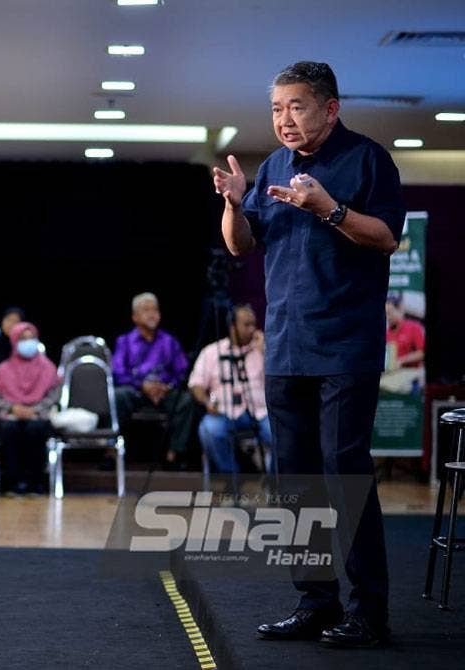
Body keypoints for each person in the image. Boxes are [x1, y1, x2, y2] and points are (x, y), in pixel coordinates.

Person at [213, 61, 405, 648]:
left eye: (296, 106)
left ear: (330, 107)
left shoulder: (368, 160)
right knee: (294, 481)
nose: (284, 119)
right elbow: (244, 245)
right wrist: (235, 205)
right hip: (287, 345)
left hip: (345, 344)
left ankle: (368, 611)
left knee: (344, 473)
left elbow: (387, 237)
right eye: (276, 108)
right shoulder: (274, 166)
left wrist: (329, 208)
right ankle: (314, 603)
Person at [187, 305, 272, 474]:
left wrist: (264, 351)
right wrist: (206, 401)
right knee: (209, 429)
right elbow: (195, 384)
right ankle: (231, 477)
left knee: (281, 432)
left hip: (260, 412)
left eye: (253, 324)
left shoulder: (262, 350)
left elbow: (278, 382)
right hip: (224, 412)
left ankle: (274, 482)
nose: (252, 329)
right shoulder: (212, 351)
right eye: (246, 325)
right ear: (233, 327)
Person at [112, 293, 193, 466]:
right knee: (118, 396)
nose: (152, 314)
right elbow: (118, 373)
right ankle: (112, 452)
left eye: (155, 309)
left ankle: (174, 454)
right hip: (136, 391)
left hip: (164, 391)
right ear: (135, 317)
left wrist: (166, 386)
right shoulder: (124, 341)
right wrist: (143, 386)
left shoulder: (169, 341)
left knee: (185, 400)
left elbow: (182, 372)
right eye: (146, 310)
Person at [0, 321, 60, 496]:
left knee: (35, 428)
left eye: (31, 338)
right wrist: (13, 408)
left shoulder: (48, 367)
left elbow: (53, 396)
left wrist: (35, 410)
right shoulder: (4, 369)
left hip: (38, 414)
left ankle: (34, 483)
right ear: (14, 341)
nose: (28, 343)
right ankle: (11, 484)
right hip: (11, 414)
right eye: (23, 339)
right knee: (9, 429)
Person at [384, 294, 424, 369]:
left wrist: (401, 361)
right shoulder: (386, 333)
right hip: (393, 374)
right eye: (385, 314)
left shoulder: (414, 327)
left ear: (399, 310)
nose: (388, 317)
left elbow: (422, 352)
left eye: (390, 312)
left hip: (412, 375)